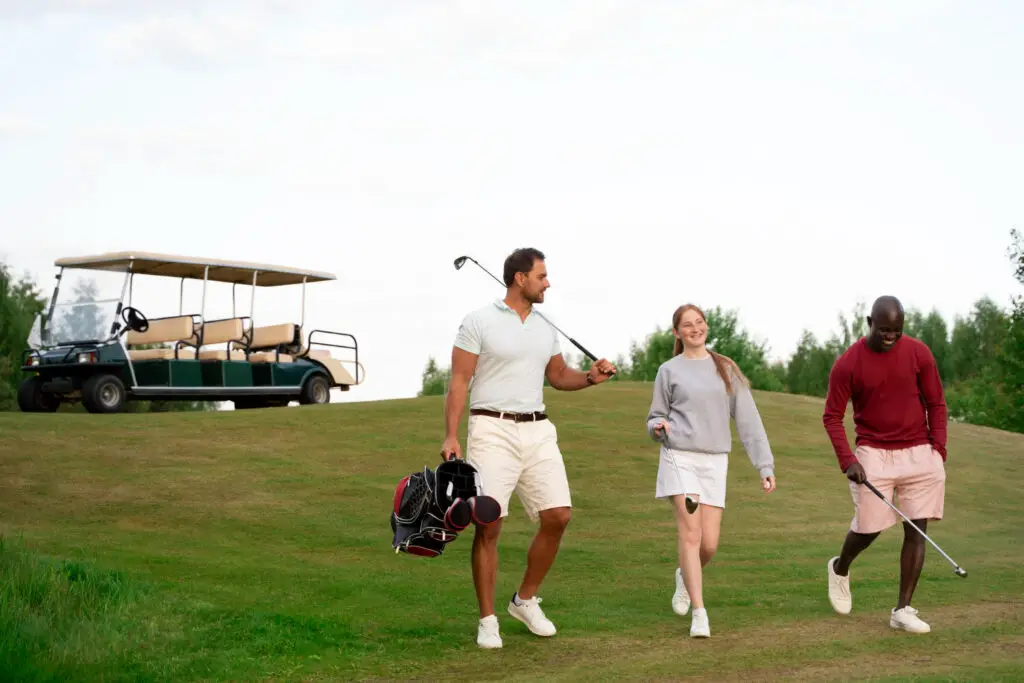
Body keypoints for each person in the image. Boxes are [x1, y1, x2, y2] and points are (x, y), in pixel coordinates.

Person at [440, 247, 617, 649]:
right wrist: (451, 435)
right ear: (520, 278)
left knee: (558, 516)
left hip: (538, 429)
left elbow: (557, 376)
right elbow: (459, 382)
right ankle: (488, 620)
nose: (548, 282)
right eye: (542, 276)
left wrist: (589, 378)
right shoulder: (478, 321)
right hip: (491, 428)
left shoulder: (544, 325)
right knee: (489, 523)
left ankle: (524, 599)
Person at [645, 303, 776, 638]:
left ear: (706, 326)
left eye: (699, 322)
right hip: (680, 458)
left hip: (715, 461)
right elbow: (654, 416)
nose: (694, 329)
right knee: (690, 535)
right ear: (677, 333)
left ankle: (684, 577)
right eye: (687, 325)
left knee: (710, 545)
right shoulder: (668, 370)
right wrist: (657, 426)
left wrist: (764, 464)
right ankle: (700, 614)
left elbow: (749, 421)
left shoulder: (725, 368)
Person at [822, 295, 948, 634]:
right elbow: (832, 416)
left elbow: (936, 402)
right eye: (884, 329)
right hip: (873, 451)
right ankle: (841, 567)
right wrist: (847, 460)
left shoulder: (919, 353)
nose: (890, 336)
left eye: (897, 329)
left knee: (917, 529)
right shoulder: (848, 363)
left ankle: (902, 609)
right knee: (869, 526)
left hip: (919, 451)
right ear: (869, 323)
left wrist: (939, 449)